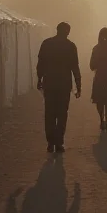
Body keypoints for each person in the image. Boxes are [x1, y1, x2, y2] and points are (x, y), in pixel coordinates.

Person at [36, 22, 81, 154]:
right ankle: (59, 143)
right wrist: (79, 85)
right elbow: (75, 67)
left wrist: (39, 79)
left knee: (49, 113)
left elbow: (40, 64)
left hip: (49, 83)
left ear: (56, 30)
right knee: (62, 114)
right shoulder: (71, 46)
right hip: (64, 85)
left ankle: (50, 143)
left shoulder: (47, 44)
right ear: (68, 32)